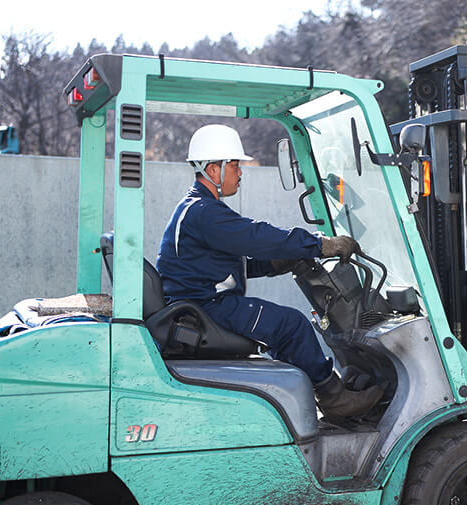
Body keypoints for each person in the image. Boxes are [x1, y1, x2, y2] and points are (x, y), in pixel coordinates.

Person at [156, 124, 383, 421]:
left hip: (200, 301)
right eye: (235, 165)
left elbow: (221, 265)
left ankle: (305, 395)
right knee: (292, 325)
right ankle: (334, 398)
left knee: (283, 326)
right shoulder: (205, 212)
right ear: (214, 170)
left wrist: (277, 264)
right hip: (206, 308)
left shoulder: (198, 208)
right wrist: (319, 244)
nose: (240, 173)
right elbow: (256, 237)